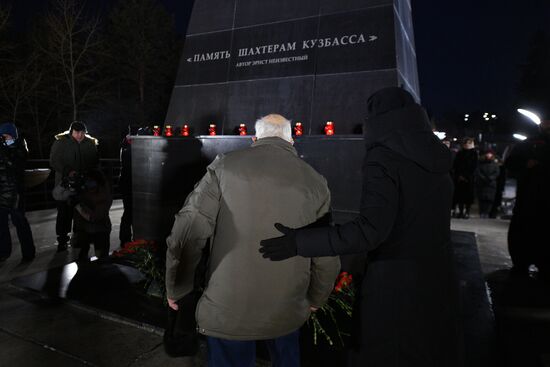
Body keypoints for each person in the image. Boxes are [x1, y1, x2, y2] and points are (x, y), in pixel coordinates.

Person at [260, 88, 459, 367]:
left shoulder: (385, 157)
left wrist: (300, 242)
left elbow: (370, 231)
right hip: (435, 278)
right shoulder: (435, 156)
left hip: (395, 283)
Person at [165, 114, 340, 367]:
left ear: (254, 139)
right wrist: (316, 299)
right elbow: (326, 251)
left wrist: (177, 288)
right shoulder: (315, 181)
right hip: (287, 308)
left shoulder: (224, 167)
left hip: (228, 308)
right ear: (292, 140)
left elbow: (187, 233)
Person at [505, 119, 550, 277]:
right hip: (528, 197)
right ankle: (521, 262)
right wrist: (526, 163)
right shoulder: (529, 143)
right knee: (523, 229)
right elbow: (511, 162)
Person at [50, 121, 98, 252]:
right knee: (64, 213)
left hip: (83, 184)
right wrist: (68, 171)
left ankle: (78, 238)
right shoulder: (61, 142)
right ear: (71, 131)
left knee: (81, 212)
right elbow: (54, 161)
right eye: (77, 132)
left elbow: (94, 161)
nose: (80, 135)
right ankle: (62, 240)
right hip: (64, 184)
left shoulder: (90, 143)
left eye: (82, 132)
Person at [0, 122, 35, 263]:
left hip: (15, 193)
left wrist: (5, 152)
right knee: (1, 226)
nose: (4, 138)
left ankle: (28, 253)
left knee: (21, 224)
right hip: (1, 193)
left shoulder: (19, 148)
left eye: (6, 136)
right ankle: (3, 252)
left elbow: (16, 165)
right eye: (1, 136)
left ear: (13, 136)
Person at [72, 169, 113, 262]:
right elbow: (57, 194)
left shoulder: (103, 196)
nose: (87, 183)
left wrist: (77, 206)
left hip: (100, 230)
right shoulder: (85, 190)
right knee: (82, 257)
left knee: (101, 258)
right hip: (85, 230)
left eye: (90, 180)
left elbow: (93, 217)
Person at [452, 137, 478, 218]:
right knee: (459, 196)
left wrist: (467, 176)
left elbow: (474, 166)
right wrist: (459, 175)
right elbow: (456, 165)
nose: (467, 145)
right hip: (460, 178)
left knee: (468, 197)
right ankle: (460, 212)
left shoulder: (474, 153)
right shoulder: (460, 153)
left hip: (469, 179)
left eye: (469, 143)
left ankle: (467, 212)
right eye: (466, 143)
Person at [475, 149, 500, 218]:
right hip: (482, 184)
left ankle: (486, 212)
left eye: (490, 154)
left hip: (491, 184)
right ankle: (481, 212)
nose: (488, 155)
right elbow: (478, 171)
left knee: (489, 200)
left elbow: (497, 172)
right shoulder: (481, 163)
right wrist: (483, 178)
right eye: (487, 153)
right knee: (482, 199)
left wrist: (491, 178)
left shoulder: (495, 164)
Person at [118, 129, 132, 247]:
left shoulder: (124, 146)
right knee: (128, 212)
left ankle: (125, 238)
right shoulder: (127, 148)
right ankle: (125, 239)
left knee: (128, 212)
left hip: (126, 183)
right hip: (128, 183)